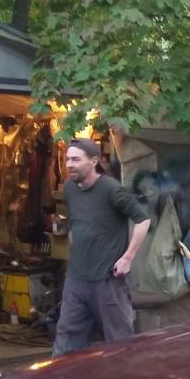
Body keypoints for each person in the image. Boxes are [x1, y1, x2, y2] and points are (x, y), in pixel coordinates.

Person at [52, 139, 150, 357]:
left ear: (93, 161)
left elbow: (143, 220)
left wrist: (127, 258)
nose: (69, 164)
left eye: (76, 159)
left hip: (108, 282)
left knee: (119, 345)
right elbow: (75, 224)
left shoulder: (110, 189)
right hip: (76, 280)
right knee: (65, 345)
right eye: (67, 159)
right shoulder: (69, 189)